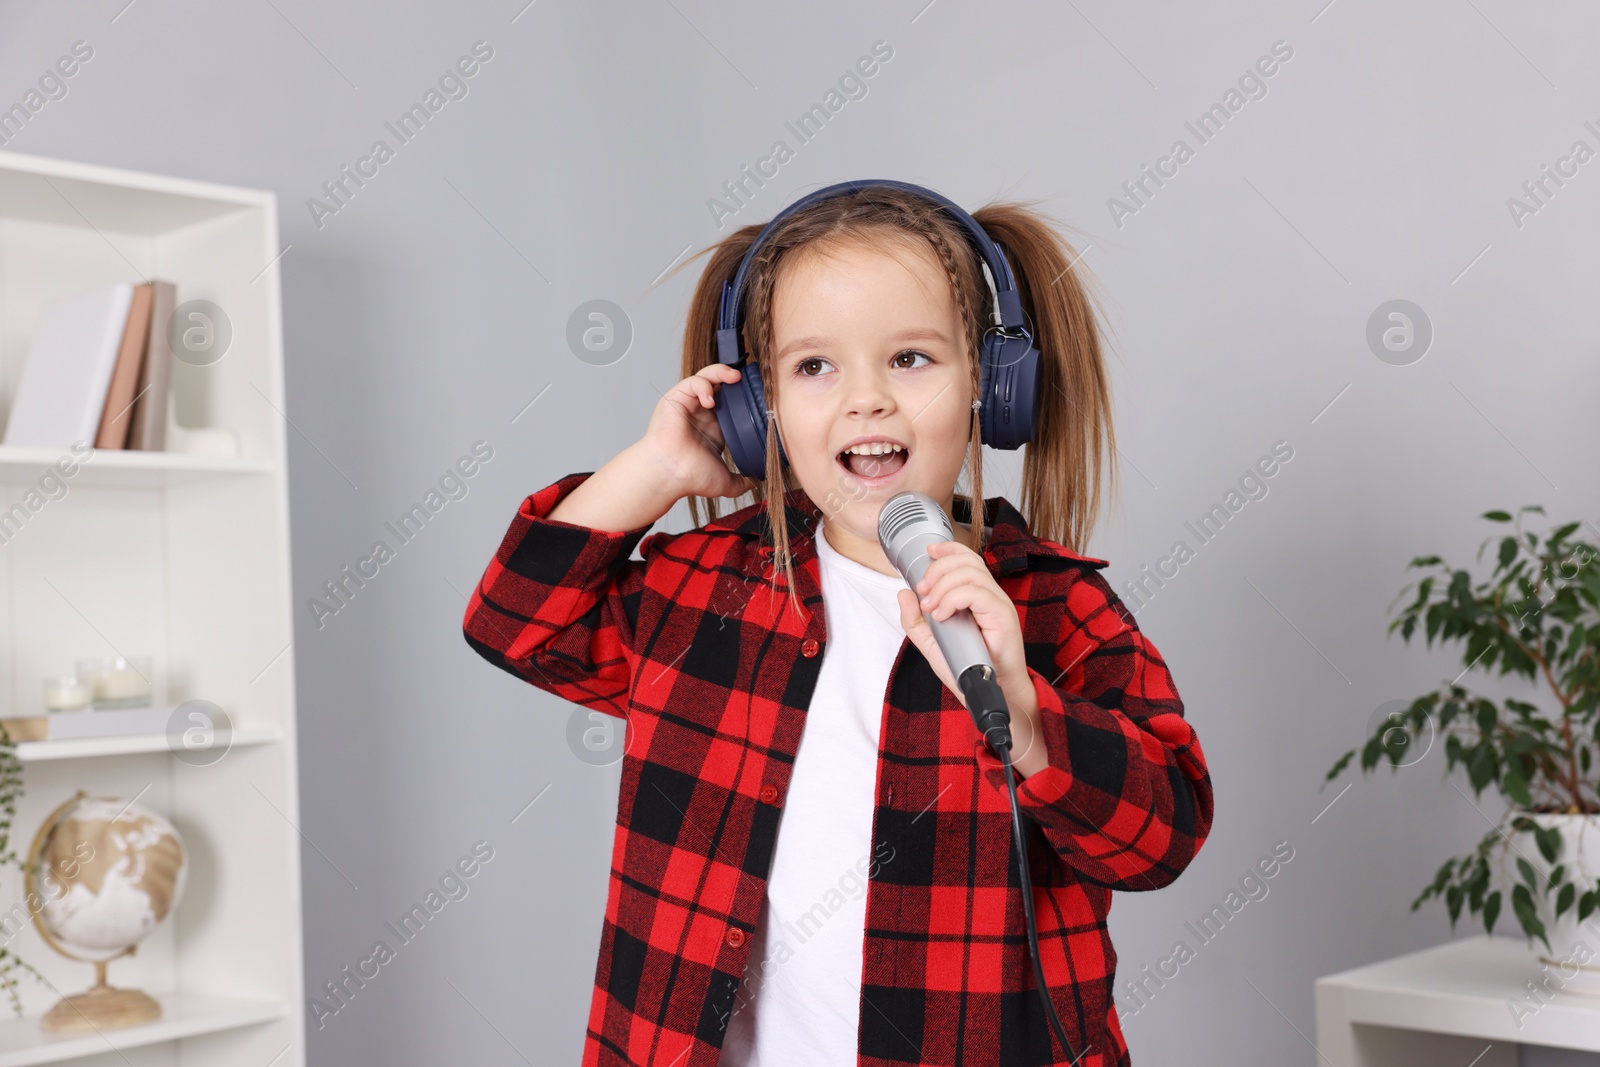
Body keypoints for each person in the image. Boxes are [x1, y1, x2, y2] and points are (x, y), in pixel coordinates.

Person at [462, 182, 1213, 1067]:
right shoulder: (706, 592)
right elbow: (515, 622)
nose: (867, 401)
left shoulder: (1051, 607)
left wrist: (1027, 710)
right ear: (758, 407)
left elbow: (1159, 839)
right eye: (815, 367)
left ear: (988, 383)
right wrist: (658, 468)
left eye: (910, 359)